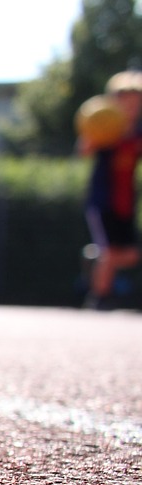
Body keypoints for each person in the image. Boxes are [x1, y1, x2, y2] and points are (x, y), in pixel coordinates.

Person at [82, 70, 142, 310]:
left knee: (130, 254)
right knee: (109, 251)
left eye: (135, 100)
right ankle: (99, 298)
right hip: (102, 199)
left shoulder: (138, 131)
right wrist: (95, 135)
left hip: (126, 201)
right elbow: (84, 150)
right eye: (125, 99)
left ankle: (93, 259)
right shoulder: (105, 125)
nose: (130, 105)